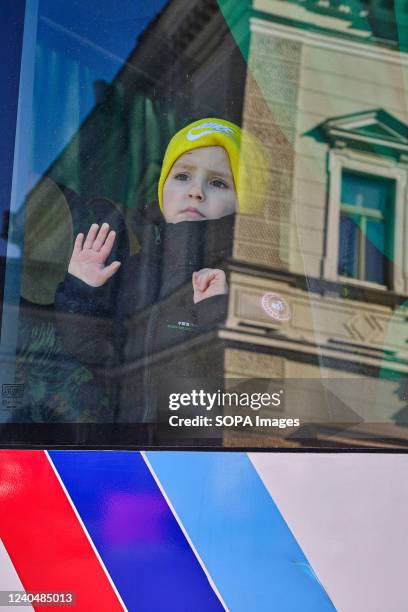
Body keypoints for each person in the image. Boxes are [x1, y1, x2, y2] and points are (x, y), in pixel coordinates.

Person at [54, 118, 268, 428]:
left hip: (205, 454)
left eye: (219, 182)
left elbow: (256, 387)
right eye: (182, 176)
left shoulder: (251, 278)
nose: (195, 191)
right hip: (131, 448)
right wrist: (82, 292)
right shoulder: (134, 270)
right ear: (163, 189)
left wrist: (215, 311)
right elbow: (96, 353)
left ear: (245, 202)